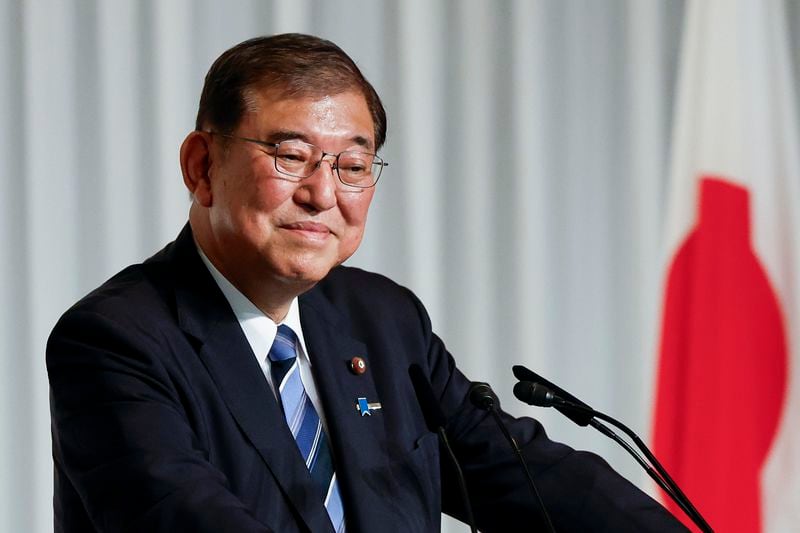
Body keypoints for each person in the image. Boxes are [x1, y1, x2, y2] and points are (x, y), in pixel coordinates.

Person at [47, 34, 687, 532]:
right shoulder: (116, 340)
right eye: (290, 155)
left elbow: (523, 473)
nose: (323, 192)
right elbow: (182, 519)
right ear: (201, 165)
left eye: (353, 165)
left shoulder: (382, 320)